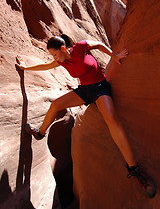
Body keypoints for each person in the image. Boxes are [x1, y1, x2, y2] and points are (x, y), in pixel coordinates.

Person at [16, 35, 156, 198]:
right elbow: (46, 66)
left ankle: (135, 170)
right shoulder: (61, 61)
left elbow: (98, 44)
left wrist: (114, 56)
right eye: (52, 55)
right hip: (84, 91)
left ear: (63, 49)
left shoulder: (81, 47)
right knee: (55, 105)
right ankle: (40, 133)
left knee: (111, 120)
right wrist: (26, 68)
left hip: (100, 88)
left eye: (54, 54)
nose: (53, 58)